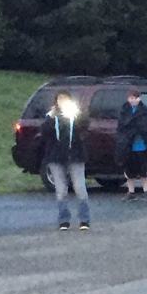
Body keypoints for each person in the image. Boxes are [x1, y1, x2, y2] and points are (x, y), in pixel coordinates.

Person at [39, 90, 91, 231]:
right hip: (56, 157)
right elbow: (44, 133)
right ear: (56, 102)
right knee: (61, 190)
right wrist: (50, 118)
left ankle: (84, 219)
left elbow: (85, 126)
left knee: (80, 188)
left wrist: (77, 116)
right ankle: (64, 220)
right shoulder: (52, 117)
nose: (63, 102)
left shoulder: (75, 115)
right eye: (60, 100)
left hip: (75, 155)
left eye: (65, 99)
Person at [116, 89, 147, 202]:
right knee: (129, 171)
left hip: (142, 146)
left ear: (139, 98)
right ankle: (131, 192)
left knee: (145, 171)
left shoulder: (144, 111)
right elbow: (122, 127)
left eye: (134, 98)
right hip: (128, 146)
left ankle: (146, 192)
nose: (132, 100)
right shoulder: (124, 111)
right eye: (130, 98)